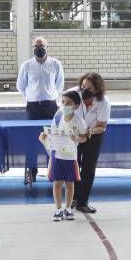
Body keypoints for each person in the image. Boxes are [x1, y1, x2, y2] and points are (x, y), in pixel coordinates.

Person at [16, 36, 65, 183]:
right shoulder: (26, 65)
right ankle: (31, 173)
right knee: (32, 140)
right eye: (36, 46)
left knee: (52, 138)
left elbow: (60, 83)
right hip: (33, 107)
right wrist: (31, 96)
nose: (39, 48)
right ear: (33, 48)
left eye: (42, 45)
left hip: (50, 106)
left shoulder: (55, 64)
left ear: (47, 47)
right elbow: (21, 86)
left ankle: (53, 171)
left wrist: (51, 95)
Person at [40, 91, 87, 221]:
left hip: (70, 157)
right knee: (57, 183)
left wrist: (76, 138)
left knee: (69, 184)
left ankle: (68, 209)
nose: (65, 105)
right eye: (63, 102)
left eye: (69, 103)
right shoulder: (57, 117)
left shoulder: (79, 121)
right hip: (56, 155)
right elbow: (52, 133)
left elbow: (84, 138)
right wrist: (45, 137)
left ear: (76, 105)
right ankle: (58, 209)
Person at [72, 72, 111, 214]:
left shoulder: (103, 102)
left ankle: (82, 202)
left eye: (89, 89)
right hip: (74, 135)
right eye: (83, 86)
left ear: (97, 90)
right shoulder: (73, 94)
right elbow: (63, 114)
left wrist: (89, 132)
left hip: (93, 135)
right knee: (74, 165)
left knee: (88, 168)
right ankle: (73, 198)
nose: (84, 91)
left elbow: (102, 126)